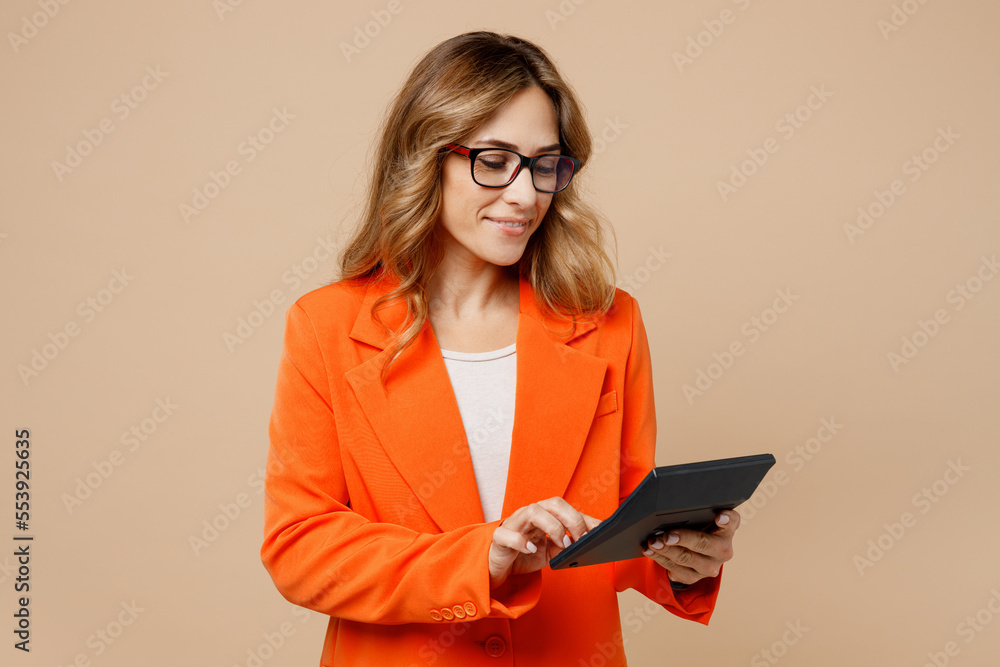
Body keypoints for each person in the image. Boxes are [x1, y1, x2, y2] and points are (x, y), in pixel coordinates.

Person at [260, 30, 740, 666]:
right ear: (426, 157)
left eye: (545, 164)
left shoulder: (610, 323)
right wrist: (477, 559)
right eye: (494, 159)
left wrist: (681, 561)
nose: (525, 194)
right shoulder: (326, 326)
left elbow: (615, 535)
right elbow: (301, 549)